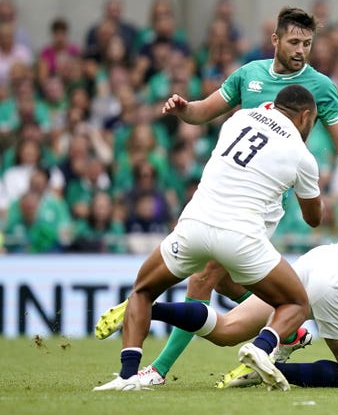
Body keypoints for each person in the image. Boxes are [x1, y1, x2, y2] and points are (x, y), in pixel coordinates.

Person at [106, 6, 338, 386]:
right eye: (294, 41)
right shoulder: (250, 75)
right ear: (275, 40)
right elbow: (204, 111)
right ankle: (287, 330)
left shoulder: (321, 87)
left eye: (308, 44)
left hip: (260, 206)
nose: (301, 50)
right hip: (234, 199)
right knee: (225, 281)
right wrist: (184, 110)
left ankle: (157, 370)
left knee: (203, 278)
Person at [93, 84, 323, 391]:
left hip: (194, 227)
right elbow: (313, 219)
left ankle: (127, 376)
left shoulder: (239, 119)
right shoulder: (302, 155)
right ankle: (264, 346)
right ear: (306, 117)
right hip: (241, 238)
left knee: (143, 291)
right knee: (295, 302)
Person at [96, 206, 338, 388]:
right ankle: (276, 362)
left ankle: (149, 308)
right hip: (336, 277)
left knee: (226, 327)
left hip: (315, 258)